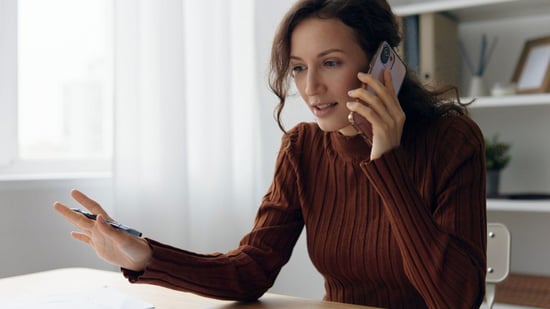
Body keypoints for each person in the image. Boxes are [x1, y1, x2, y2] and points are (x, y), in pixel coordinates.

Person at [54, 0, 487, 308]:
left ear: (382, 64)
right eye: (299, 67)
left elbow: (455, 299)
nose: (310, 88)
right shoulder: (304, 148)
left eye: (330, 63)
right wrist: (145, 255)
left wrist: (386, 157)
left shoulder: (450, 140)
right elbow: (252, 270)